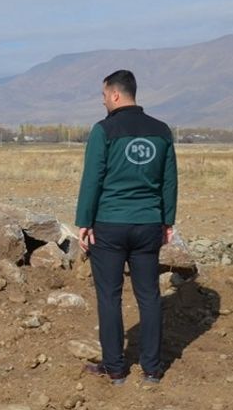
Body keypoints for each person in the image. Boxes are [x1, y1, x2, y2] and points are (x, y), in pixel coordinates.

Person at [75, 69, 177, 385]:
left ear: (115, 95)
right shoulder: (161, 131)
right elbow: (170, 180)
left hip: (109, 224)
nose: (103, 101)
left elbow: (92, 178)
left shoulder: (103, 130)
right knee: (149, 296)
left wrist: (83, 222)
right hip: (148, 223)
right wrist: (167, 220)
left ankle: (115, 368)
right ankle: (152, 368)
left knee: (109, 296)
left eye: (104, 95)